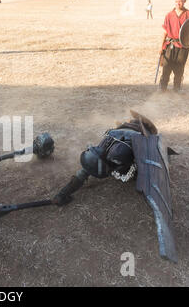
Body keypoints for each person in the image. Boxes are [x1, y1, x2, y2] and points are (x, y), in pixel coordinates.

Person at [52, 111, 178, 262]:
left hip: (132, 139)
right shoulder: (102, 150)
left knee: (128, 166)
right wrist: (63, 193)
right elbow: (85, 171)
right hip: (122, 139)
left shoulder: (116, 152)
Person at [159, 0, 189, 93]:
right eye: (176, 1)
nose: (178, 3)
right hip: (170, 44)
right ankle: (163, 87)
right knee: (166, 66)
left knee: (179, 68)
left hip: (183, 46)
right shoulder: (169, 15)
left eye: (180, 1)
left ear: (184, 1)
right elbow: (165, 32)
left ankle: (177, 88)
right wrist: (161, 47)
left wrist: (188, 43)